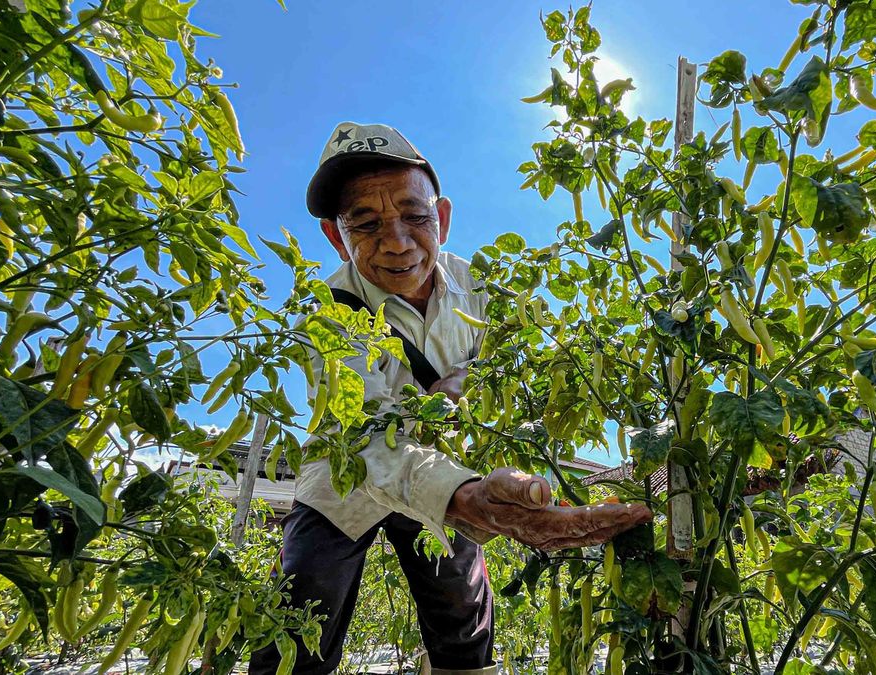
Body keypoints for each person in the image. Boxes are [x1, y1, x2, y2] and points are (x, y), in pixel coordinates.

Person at [249, 123, 652, 675]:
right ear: (335, 237)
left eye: (414, 217)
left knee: (463, 617)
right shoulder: (327, 313)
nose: (396, 242)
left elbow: (511, 357)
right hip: (348, 480)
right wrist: (461, 496)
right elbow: (361, 436)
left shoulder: (481, 287)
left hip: (447, 472)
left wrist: (467, 379)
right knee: (301, 611)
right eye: (365, 224)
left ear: (440, 218)